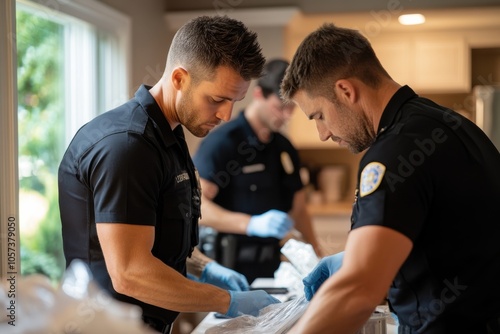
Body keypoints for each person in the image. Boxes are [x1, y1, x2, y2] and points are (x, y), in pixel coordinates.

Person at [58, 16, 281, 334]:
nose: (226, 115)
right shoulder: (128, 146)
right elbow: (131, 272)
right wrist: (226, 299)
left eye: (235, 101)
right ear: (179, 78)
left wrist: (205, 267)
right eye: (217, 99)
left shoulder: (168, 137)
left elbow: (160, 239)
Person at [280, 23, 500, 333]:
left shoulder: (394, 153)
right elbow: (449, 236)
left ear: (345, 91)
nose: (323, 133)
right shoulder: (449, 124)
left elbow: (358, 292)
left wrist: (355, 274)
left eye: (318, 115)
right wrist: (359, 258)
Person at [192, 59, 323, 283]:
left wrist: (316, 255)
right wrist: (251, 224)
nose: (286, 115)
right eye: (280, 107)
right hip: (229, 269)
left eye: (292, 107)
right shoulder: (223, 143)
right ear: (259, 94)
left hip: (273, 270)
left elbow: (299, 208)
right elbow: (198, 207)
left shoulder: (283, 147)